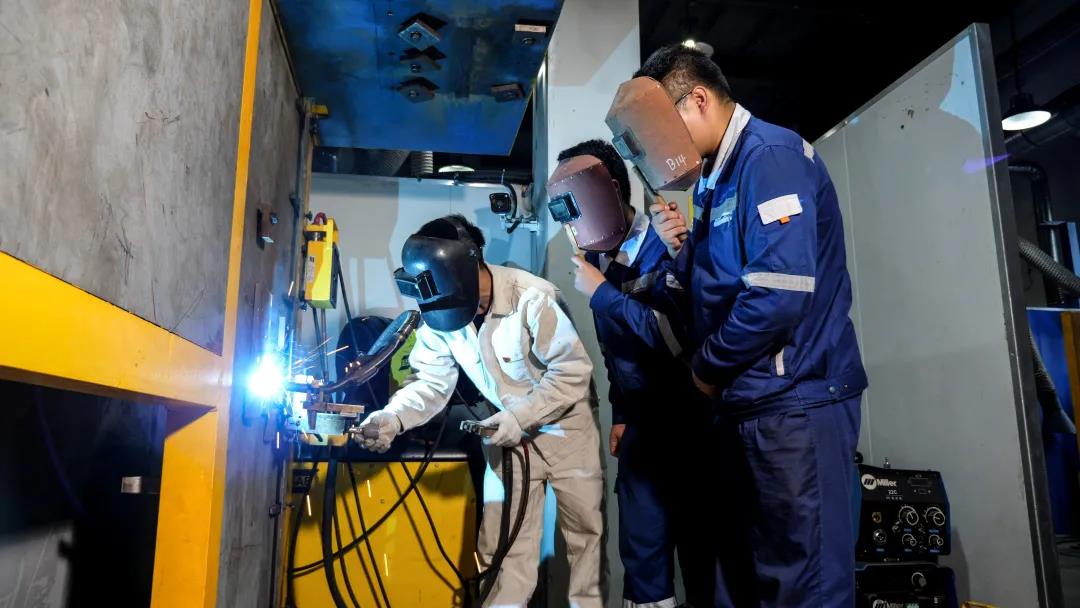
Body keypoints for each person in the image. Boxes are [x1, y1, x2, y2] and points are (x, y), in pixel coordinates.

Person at [604, 45, 869, 607]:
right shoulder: (714, 177)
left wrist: (705, 366)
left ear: (697, 100)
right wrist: (675, 258)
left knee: (804, 584)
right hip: (747, 405)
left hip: (795, 403)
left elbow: (777, 295)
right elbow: (710, 284)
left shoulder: (769, 157)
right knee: (743, 577)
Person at [355, 215, 603, 608]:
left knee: (584, 544)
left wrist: (521, 417)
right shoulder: (441, 311)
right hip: (506, 435)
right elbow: (431, 381)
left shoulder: (533, 297)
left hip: (567, 431)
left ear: (470, 264)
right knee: (501, 548)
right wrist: (394, 417)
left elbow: (572, 372)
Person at [550, 139, 750, 608]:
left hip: (693, 426)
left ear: (611, 189)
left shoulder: (670, 246)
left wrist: (603, 294)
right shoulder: (599, 260)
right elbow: (614, 349)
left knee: (703, 556)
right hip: (642, 433)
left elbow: (676, 338)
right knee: (643, 559)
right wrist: (621, 411)